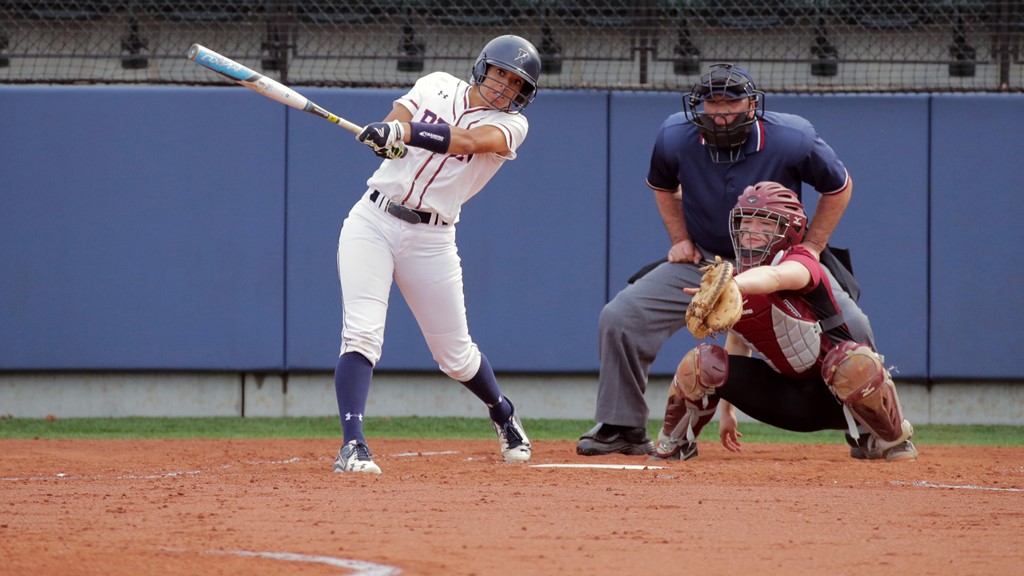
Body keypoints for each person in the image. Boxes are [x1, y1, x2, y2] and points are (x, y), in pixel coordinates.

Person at [577, 63, 876, 457]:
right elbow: (663, 187)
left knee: (854, 324)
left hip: (780, 264)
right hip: (706, 262)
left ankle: (871, 427)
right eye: (711, 103)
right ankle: (621, 426)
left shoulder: (792, 137)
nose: (720, 112)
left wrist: (814, 248)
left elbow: (839, 186)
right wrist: (680, 238)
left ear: (752, 105)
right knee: (621, 317)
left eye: (730, 102)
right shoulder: (674, 137)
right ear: (696, 107)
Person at [331, 35, 541, 474]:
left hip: (433, 238)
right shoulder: (435, 84)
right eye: (500, 73)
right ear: (483, 67)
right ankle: (353, 444)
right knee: (363, 333)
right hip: (372, 221)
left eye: (515, 84)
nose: (504, 87)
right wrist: (385, 137)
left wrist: (404, 133)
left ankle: (502, 412)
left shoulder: (512, 127)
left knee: (455, 356)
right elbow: (397, 120)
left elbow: (465, 141)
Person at [649, 181, 917, 462]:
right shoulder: (739, 279)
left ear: (789, 230)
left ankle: (886, 438)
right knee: (699, 363)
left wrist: (735, 284)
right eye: (746, 222)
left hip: (838, 402)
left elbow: (776, 277)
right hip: (784, 401)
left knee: (852, 363)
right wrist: (727, 412)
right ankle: (675, 444)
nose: (751, 231)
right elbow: (739, 344)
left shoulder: (801, 261)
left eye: (765, 224)